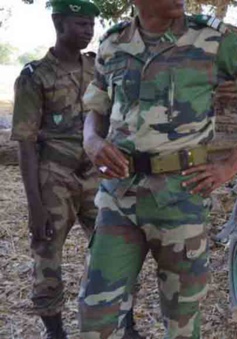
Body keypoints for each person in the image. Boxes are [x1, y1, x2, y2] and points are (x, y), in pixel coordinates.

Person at [77, 0, 237, 337]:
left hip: (180, 198)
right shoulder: (112, 43)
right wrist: (91, 141)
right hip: (119, 196)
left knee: (182, 319)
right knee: (94, 311)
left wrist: (232, 164)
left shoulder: (210, 40)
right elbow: (96, 107)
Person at [10, 1, 142, 338]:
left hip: (97, 178)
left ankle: (127, 327)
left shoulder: (98, 69)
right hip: (54, 179)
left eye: (91, 25)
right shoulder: (34, 76)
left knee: (114, 253)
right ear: (58, 22)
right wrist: (34, 206)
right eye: (80, 24)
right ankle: (56, 332)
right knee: (47, 259)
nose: (88, 31)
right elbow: (25, 143)